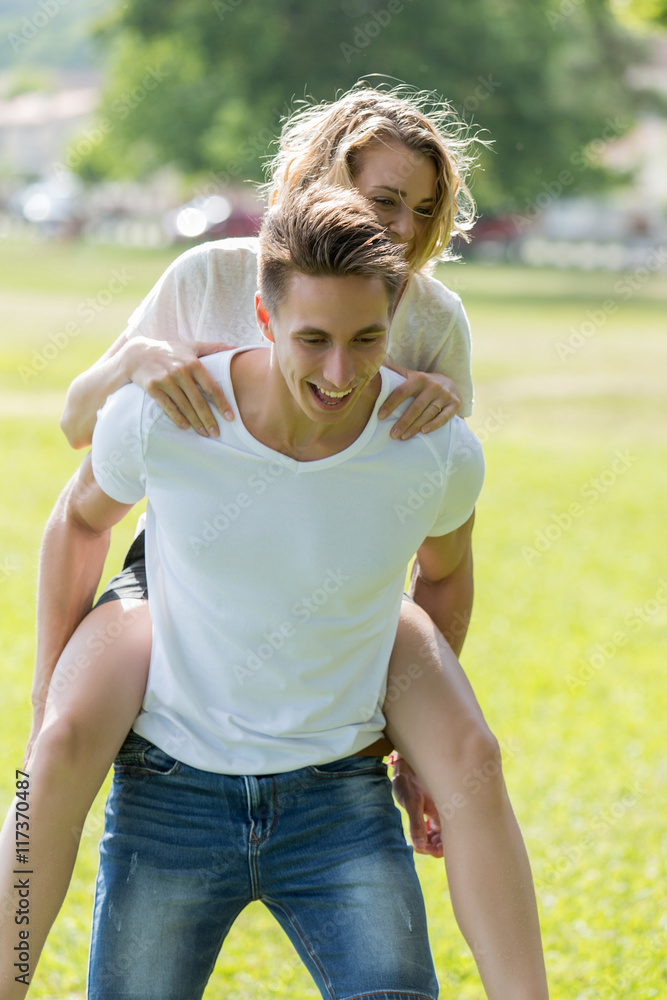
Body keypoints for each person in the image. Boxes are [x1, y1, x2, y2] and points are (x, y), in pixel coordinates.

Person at [0, 87, 548, 999]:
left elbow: (429, 520)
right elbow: (79, 445)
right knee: (55, 751)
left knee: (470, 754)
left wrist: (405, 722)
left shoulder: (434, 317)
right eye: (382, 203)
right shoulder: (214, 276)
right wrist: (132, 366)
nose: (404, 230)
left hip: (351, 569)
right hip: (186, 559)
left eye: (422, 210)